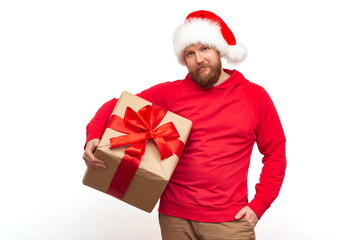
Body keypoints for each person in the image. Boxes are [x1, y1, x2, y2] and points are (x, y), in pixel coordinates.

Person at [83, 10, 286, 240]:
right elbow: (117, 105)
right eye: (190, 53)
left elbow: (275, 152)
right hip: (175, 219)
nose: (199, 59)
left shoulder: (254, 96)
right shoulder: (172, 93)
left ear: (219, 49)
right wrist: (93, 135)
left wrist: (260, 204)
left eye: (205, 48)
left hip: (230, 220)